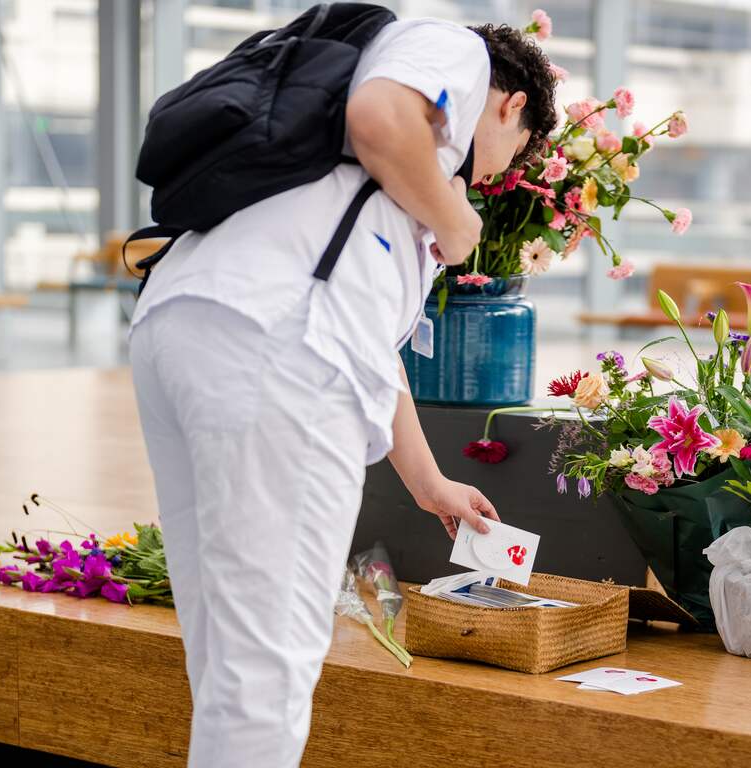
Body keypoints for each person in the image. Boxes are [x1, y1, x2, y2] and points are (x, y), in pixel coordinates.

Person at [128, 16, 558, 768]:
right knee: (271, 664)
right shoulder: (452, 55)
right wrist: (458, 223)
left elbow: (368, 348)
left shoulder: (343, 185)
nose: (490, 180)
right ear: (511, 106)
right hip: (274, 343)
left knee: (226, 650)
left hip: (192, 323)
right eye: (511, 159)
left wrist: (429, 483)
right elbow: (380, 117)